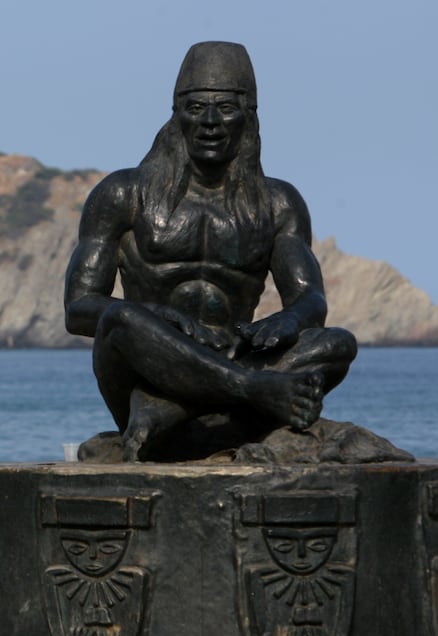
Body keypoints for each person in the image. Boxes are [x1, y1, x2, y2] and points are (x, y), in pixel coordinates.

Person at [63, 41, 357, 463]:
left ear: (249, 117)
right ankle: (247, 396)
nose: (211, 122)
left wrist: (289, 318)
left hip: (233, 349)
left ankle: (178, 417)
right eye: (197, 108)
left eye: (226, 108)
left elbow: (311, 299)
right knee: (120, 317)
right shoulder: (122, 194)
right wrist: (162, 316)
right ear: (176, 115)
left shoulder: (278, 203)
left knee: (338, 344)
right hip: (147, 372)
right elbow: (79, 308)